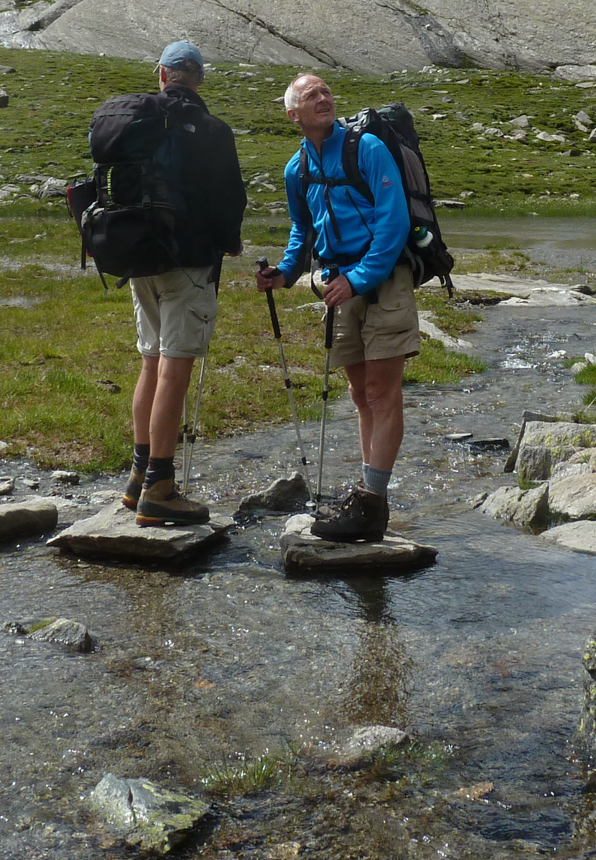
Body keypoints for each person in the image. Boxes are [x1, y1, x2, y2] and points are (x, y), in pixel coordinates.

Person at [255, 73, 417, 543]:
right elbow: (302, 229)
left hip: (382, 279)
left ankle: (371, 501)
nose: (323, 98)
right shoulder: (297, 168)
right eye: (312, 95)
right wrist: (285, 273)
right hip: (338, 284)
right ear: (294, 114)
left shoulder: (367, 148)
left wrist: (358, 279)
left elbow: (394, 221)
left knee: (382, 391)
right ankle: (369, 497)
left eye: (325, 91)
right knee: (360, 393)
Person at [122, 41, 247, 527]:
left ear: (161, 75)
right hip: (189, 262)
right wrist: (230, 243)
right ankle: (160, 488)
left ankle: (138, 477)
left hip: (139, 257)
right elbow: (230, 197)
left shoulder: (136, 120)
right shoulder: (212, 130)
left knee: (150, 362)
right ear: (199, 80)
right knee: (174, 369)